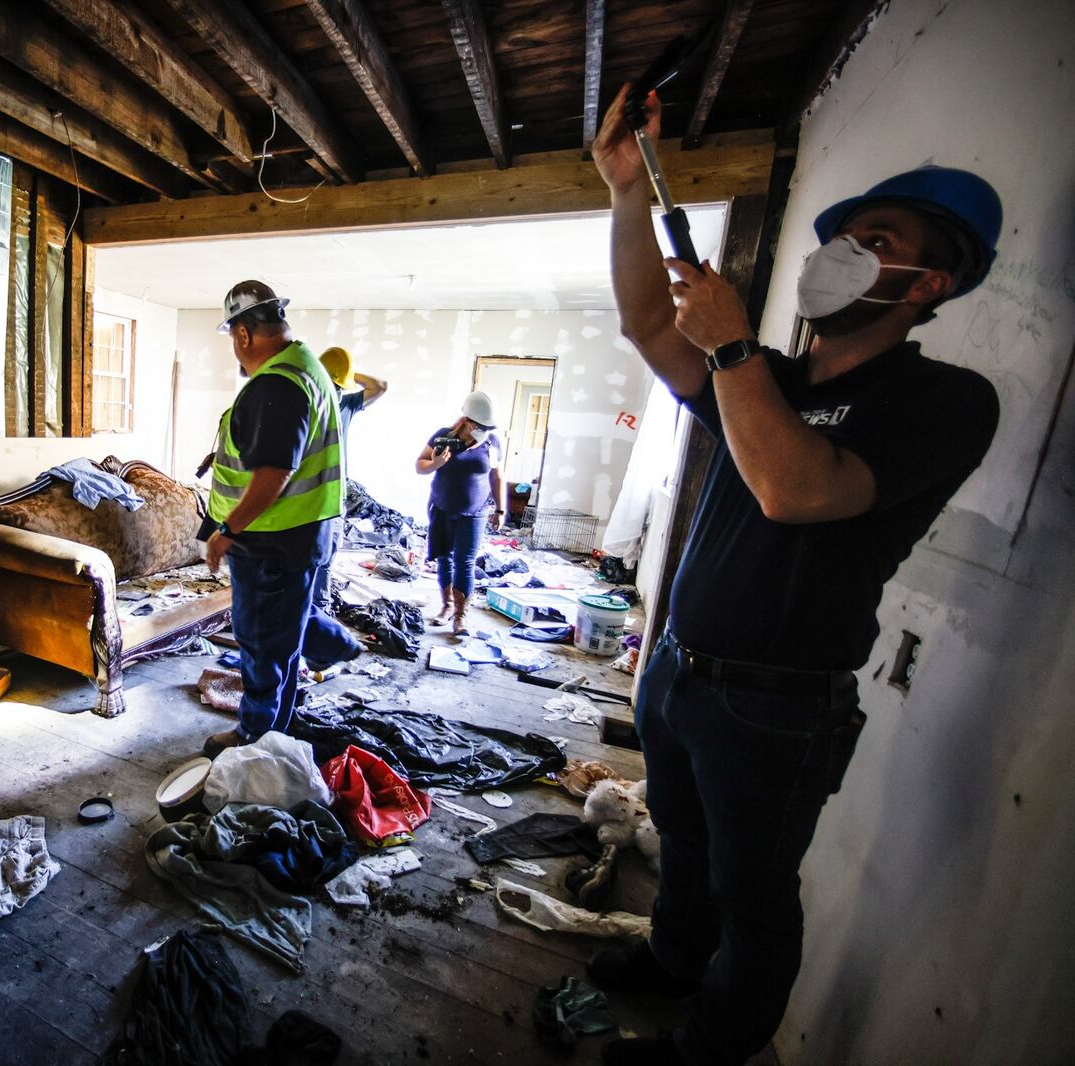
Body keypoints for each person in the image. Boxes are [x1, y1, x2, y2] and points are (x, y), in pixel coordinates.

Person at [587, 83, 1002, 1066]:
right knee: (682, 851)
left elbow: (793, 488)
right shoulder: (761, 380)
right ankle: (670, 961)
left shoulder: (942, 402)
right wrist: (623, 196)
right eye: (842, 233)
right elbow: (651, 325)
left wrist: (730, 344)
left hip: (777, 710)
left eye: (878, 238)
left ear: (929, 285)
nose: (842, 251)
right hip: (679, 671)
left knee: (754, 896)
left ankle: (706, 1049)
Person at [199, 281, 347, 758]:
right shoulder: (308, 366)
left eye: (231, 339)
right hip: (300, 537)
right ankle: (279, 724)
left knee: (262, 645)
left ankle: (254, 739)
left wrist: (227, 531)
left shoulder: (275, 384)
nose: (234, 350)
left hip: (269, 542)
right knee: (284, 633)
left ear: (243, 334)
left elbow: (274, 474)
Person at [307, 346, 389, 622]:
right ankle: (308, 617)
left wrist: (349, 374)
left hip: (334, 496)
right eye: (334, 385)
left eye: (341, 386)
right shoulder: (306, 405)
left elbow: (380, 386)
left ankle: (321, 616)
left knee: (326, 561)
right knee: (308, 561)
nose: (338, 390)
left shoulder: (345, 404)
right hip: (308, 497)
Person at [415, 391, 504, 636]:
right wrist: (435, 464)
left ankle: (460, 617)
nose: (483, 430)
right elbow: (419, 464)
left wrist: (500, 508)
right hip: (442, 508)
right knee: (445, 558)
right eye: (480, 425)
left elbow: (497, 476)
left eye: (488, 426)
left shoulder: (492, 442)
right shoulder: (444, 436)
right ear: (467, 420)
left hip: (475, 512)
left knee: (465, 562)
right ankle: (447, 607)